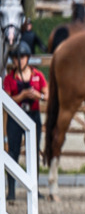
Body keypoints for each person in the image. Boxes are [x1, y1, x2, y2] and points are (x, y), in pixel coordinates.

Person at [3, 42, 46, 202]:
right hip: (16, 118)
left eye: (22, 57)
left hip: (33, 116)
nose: (19, 60)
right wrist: (21, 96)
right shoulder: (9, 78)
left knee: (33, 153)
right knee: (13, 152)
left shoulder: (38, 75)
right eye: (16, 58)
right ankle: (11, 190)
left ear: (27, 58)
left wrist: (38, 96)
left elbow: (47, 94)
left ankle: (34, 189)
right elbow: (6, 100)